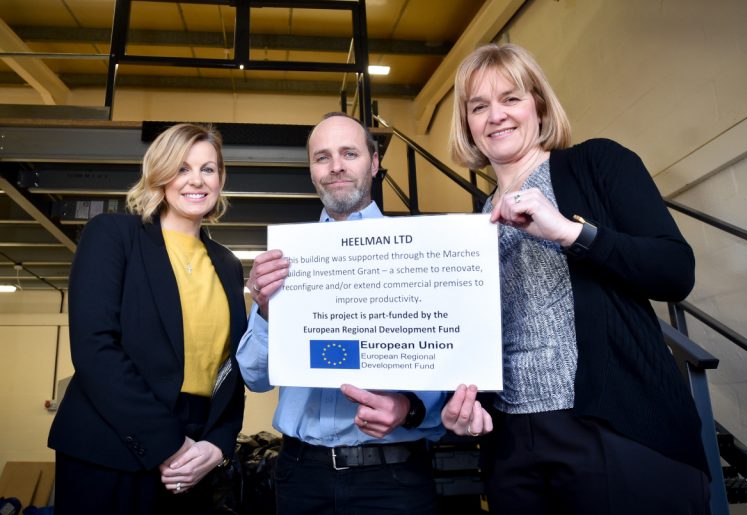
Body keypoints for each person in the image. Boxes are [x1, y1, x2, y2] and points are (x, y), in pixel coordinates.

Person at [440, 44, 710, 514]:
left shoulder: (597, 163)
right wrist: (463, 399)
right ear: (467, 124)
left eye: (511, 98)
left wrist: (570, 232)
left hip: (615, 429)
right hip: (512, 444)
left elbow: (675, 271)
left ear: (539, 106)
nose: (496, 116)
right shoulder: (473, 225)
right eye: (478, 106)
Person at [236, 112, 446, 514]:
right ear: (311, 170)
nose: (336, 166)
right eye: (322, 157)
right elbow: (255, 378)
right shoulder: (286, 261)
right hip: (301, 476)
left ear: (375, 162)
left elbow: (450, 363)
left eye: (349, 153)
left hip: (393, 480)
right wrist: (266, 311)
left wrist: (411, 407)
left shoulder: (421, 253)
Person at [48, 123, 247, 515]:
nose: (197, 180)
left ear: (221, 179)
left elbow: (231, 367)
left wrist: (218, 444)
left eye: (208, 169)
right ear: (159, 173)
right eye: (182, 168)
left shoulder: (227, 264)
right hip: (112, 449)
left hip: (195, 454)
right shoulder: (113, 234)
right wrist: (168, 443)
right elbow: (95, 348)